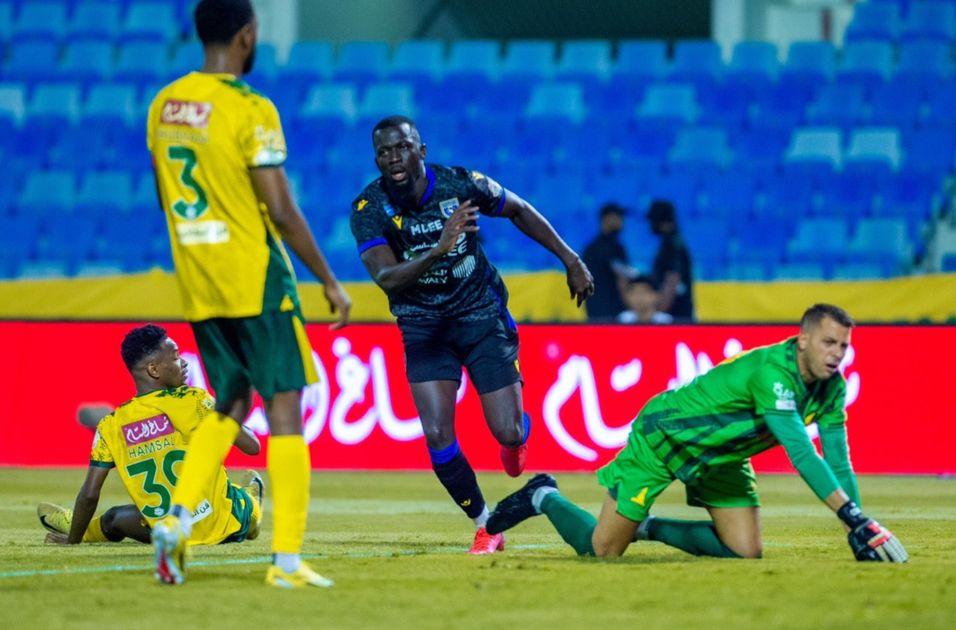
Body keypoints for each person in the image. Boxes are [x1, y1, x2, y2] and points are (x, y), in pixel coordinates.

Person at [145, 0, 352, 588]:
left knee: (231, 403)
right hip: (254, 278)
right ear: (246, 35)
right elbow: (282, 211)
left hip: (200, 283)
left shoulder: (164, 105)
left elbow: (166, 200)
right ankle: (286, 561)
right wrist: (329, 281)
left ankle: (176, 525)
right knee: (285, 410)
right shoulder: (250, 107)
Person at [485, 304, 908, 563]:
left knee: (744, 550)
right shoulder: (773, 374)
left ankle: (645, 526)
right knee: (602, 553)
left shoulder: (832, 387)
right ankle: (543, 494)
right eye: (828, 343)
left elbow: (838, 460)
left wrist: (861, 522)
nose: (837, 355)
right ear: (802, 341)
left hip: (721, 456)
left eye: (844, 347)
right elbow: (801, 453)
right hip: (665, 437)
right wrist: (851, 516)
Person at [349, 115, 594, 555]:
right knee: (438, 434)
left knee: (507, 432)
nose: (393, 158)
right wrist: (439, 249)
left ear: (420, 151)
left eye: (402, 147)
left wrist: (570, 258)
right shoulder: (369, 210)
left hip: (480, 315)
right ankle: (486, 523)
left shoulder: (461, 183)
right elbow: (386, 276)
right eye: (384, 152)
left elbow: (518, 209)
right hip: (423, 326)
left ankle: (519, 434)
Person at [36, 325, 264, 550]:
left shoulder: (111, 425)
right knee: (239, 504)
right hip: (220, 525)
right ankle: (252, 505)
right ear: (154, 370)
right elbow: (252, 446)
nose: (184, 362)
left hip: (169, 530)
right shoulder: (194, 400)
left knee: (113, 518)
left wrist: (72, 541)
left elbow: (89, 493)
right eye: (175, 357)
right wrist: (223, 410)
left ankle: (78, 527)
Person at [581, 202, 634, 322]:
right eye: (618, 217)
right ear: (606, 219)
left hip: (595, 309)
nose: (621, 221)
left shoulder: (591, 247)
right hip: (610, 312)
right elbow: (622, 277)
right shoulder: (611, 247)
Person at [647, 199, 695, 322]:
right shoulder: (672, 242)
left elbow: (672, 279)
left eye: (651, 220)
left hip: (675, 317)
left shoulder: (672, 245)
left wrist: (658, 312)